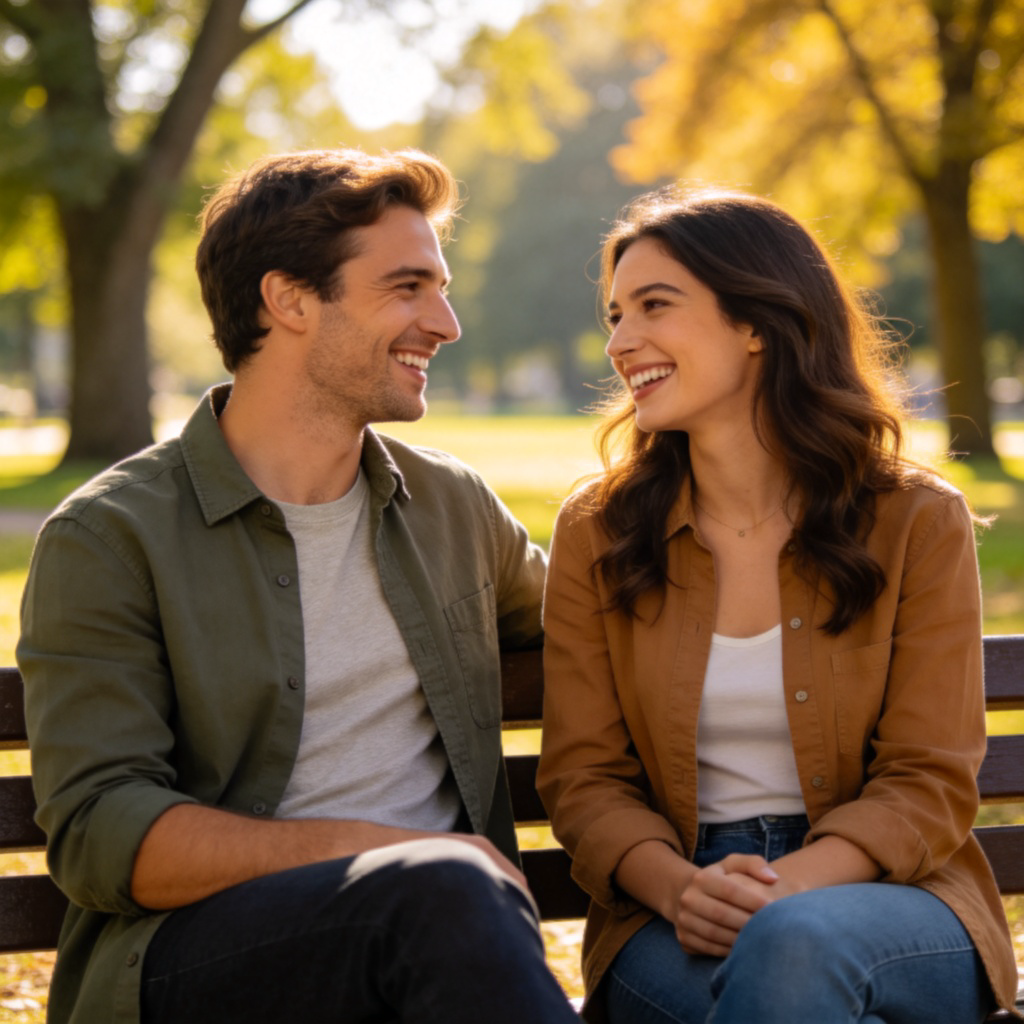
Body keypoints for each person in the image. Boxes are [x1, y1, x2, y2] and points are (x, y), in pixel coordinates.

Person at [18, 148, 579, 1024]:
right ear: (289, 300)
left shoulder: (452, 506)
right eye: (408, 287)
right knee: (437, 887)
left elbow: (597, 630)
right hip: (196, 965)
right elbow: (102, 833)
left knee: (439, 895)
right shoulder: (111, 537)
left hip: (441, 950)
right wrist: (382, 852)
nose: (446, 323)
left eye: (440, 288)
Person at [536, 187, 1019, 1023]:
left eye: (654, 305)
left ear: (757, 322)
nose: (618, 342)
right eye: (615, 315)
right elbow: (585, 781)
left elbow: (928, 778)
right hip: (673, 904)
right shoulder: (598, 530)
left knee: (793, 946)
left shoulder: (914, 519)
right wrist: (682, 888)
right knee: (792, 978)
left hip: (891, 894)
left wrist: (788, 889)